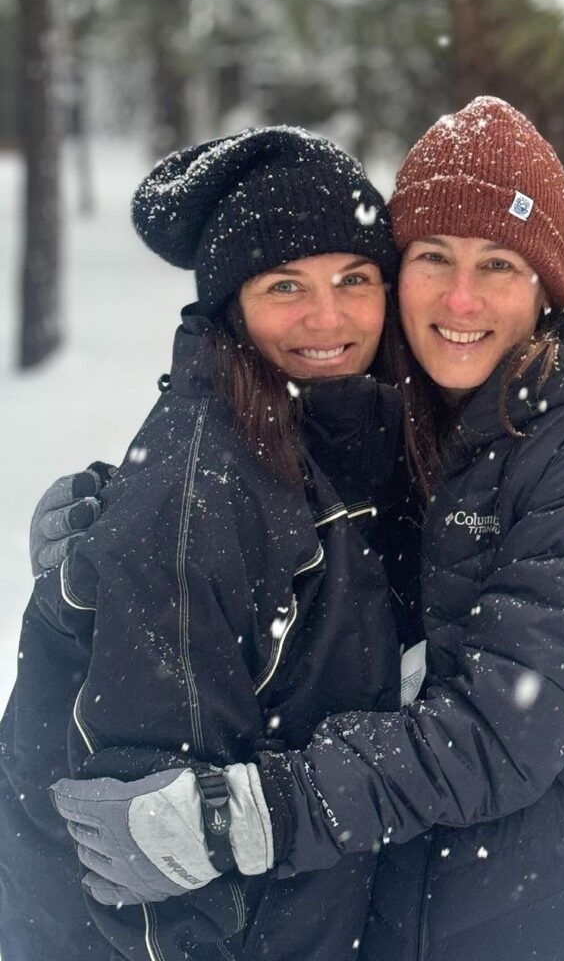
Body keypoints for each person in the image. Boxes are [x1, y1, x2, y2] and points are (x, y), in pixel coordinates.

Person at [48, 98, 564, 960]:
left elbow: (494, 732)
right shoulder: (427, 422)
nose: (460, 296)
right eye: (433, 257)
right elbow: (299, 510)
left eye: (499, 264)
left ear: (548, 287)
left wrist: (250, 817)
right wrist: (121, 516)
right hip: (431, 918)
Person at [0, 126, 416, 961]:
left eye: (354, 280)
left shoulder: (339, 443)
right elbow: (143, 857)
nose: (327, 317)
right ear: (232, 305)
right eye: (285, 286)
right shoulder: (206, 493)